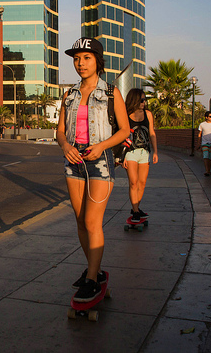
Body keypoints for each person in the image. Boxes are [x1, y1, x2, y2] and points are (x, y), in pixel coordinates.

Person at [56, 37, 130, 303]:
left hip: (99, 161)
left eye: (86, 58)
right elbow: (60, 131)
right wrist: (65, 146)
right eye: (76, 59)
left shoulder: (111, 93)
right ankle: (95, 272)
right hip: (73, 161)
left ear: (98, 61)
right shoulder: (70, 94)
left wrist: (101, 147)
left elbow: (124, 130)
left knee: (91, 221)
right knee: (79, 221)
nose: (80, 63)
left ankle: (91, 279)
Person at [122, 89, 158, 222]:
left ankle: (136, 208)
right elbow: (121, 135)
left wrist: (155, 151)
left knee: (142, 183)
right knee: (133, 182)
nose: (144, 102)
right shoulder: (126, 114)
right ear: (134, 100)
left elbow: (152, 133)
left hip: (145, 152)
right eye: (141, 100)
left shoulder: (148, 114)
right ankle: (136, 211)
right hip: (130, 152)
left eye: (145, 100)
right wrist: (122, 157)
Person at [197, 111, 211, 176]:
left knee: (210, 157)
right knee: (205, 155)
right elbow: (199, 134)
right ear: (206, 117)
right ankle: (207, 170)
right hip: (204, 143)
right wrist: (199, 142)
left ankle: (209, 170)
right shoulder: (202, 124)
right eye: (210, 116)